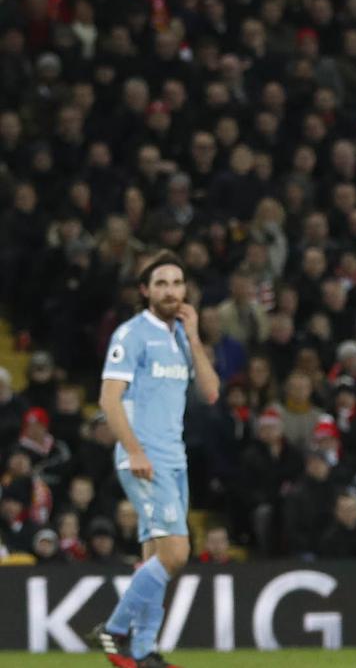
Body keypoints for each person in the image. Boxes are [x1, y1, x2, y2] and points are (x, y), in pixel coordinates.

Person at [87, 250, 221, 668]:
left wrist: (195, 337)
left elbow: (212, 392)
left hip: (174, 458)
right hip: (145, 457)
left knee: (154, 557)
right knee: (176, 554)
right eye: (161, 283)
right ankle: (113, 630)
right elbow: (108, 400)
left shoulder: (180, 336)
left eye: (177, 283)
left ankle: (144, 652)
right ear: (145, 291)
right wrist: (135, 450)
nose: (170, 291)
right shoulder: (131, 334)